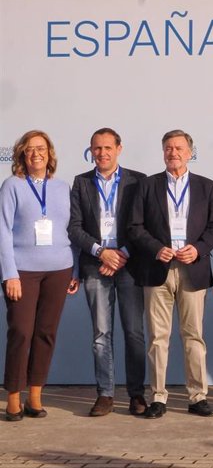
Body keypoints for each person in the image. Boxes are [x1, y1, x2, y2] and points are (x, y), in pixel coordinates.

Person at [128, 129, 213, 419]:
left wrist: (199, 250)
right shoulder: (147, 185)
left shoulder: (207, 186)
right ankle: (158, 397)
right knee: (158, 337)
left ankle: (197, 396)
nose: (173, 153)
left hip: (193, 269)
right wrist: (156, 248)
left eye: (179, 148)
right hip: (158, 270)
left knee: (193, 335)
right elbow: (135, 227)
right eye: (168, 148)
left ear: (190, 152)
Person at [0, 130, 79, 421]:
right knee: (20, 332)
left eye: (41, 148)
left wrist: (76, 270)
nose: (36, 153)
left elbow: (71, 230)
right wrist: (9, 274)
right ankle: (13, 396)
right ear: (21, 153)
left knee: (46, 333)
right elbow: (2, 232)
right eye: (30, 149)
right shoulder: (12, 186)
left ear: (49, 153)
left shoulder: (61, 187)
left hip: (59, 269)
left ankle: (35, 394)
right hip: (22, 271)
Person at [68, 127, 148, 417]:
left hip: (129, 265)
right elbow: (74, 228)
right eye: (96, 148)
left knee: (134, 332)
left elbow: (143, 225)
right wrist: (102, 252)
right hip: (95, 264)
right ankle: (105, 393)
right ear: (91, 151)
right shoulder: (81, 183)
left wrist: (121, 253)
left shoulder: (137, 181)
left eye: (107, 148)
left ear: (119, 149)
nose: (102, 153)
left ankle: (137, 394)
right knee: (101, 334)